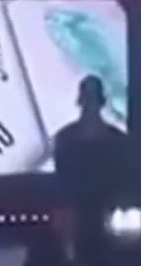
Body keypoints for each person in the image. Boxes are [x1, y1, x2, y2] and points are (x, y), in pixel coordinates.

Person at [52, 75, 133, 230]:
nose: (89, 104)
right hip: (75, 214)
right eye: (87, 99)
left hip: (109, 215)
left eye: (92, 99)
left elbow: (124, 180)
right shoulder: (65, 138)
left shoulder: (117, 140)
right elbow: (62, 181)